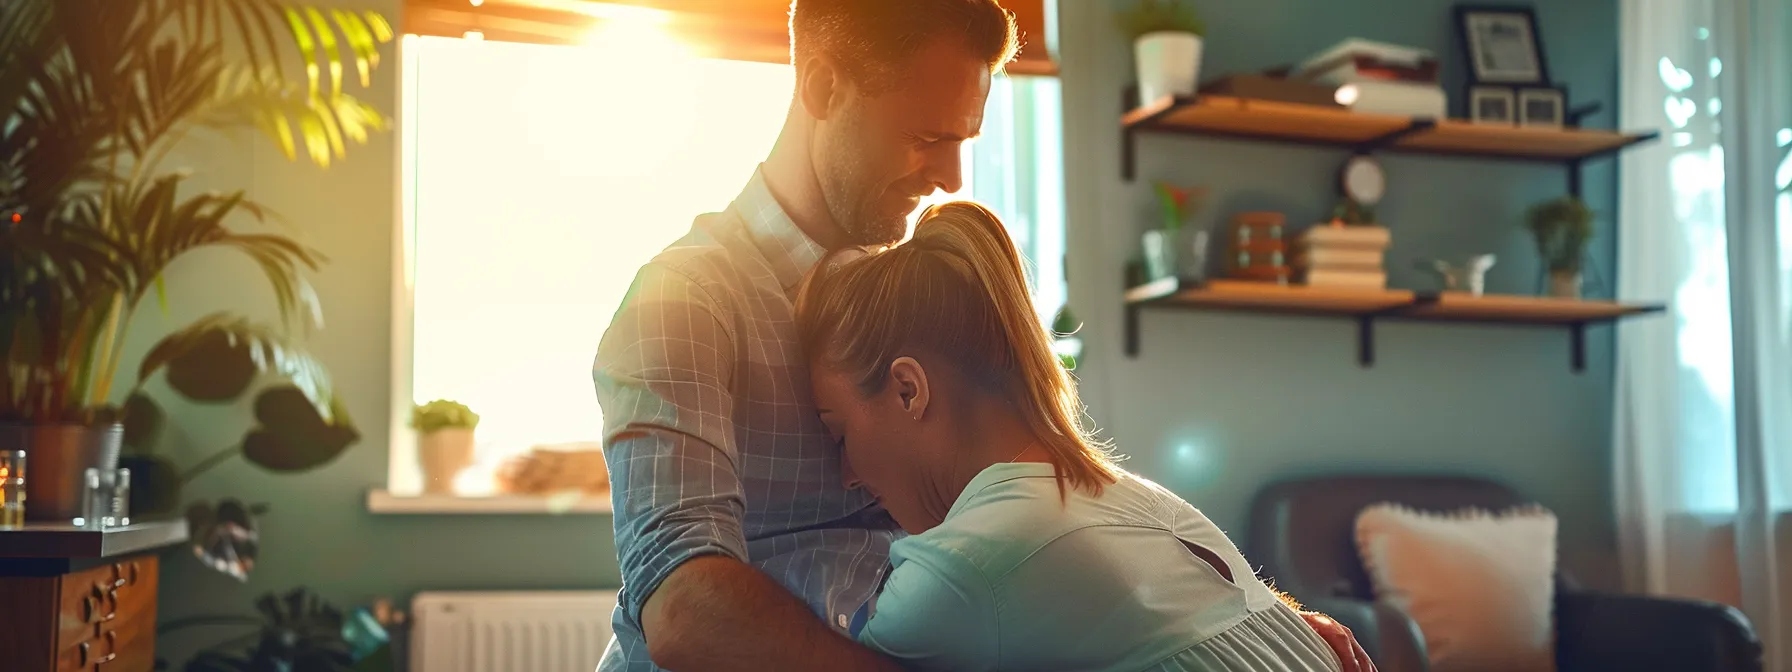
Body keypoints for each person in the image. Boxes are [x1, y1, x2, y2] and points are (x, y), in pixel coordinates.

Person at [592, 1, 1375, 670]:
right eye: (927, 136)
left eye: (965, 138)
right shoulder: (686, 299)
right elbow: (683, 609)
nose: (952, 177)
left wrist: (1238, 624)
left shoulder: (915, 282)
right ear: (822, 86)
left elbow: (1060, 494)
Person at [795, 201, 1357, 671]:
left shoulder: (962, 568)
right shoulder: (1139, 496)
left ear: (908, 391)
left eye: (838, 432)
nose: (845, 476)